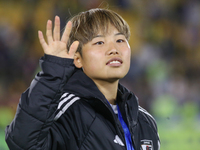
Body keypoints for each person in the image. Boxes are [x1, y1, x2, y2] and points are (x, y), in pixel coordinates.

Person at [5, 8, 160, 150]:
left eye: (120, 40)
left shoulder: (145, 121)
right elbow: (23, 143)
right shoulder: (67, 110)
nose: (114, 49)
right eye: (99, 42)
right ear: (77, 59)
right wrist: (53, 72)